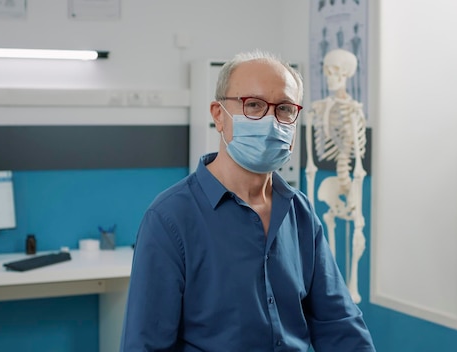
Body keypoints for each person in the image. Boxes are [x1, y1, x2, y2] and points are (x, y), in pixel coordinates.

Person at [119, 50, 376, 352]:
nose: (270, 120)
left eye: (284, 108)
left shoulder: (299, 212)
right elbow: (145, 345)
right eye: (253, 105)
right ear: (218, 115)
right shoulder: (170, 219)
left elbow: (339, 325)